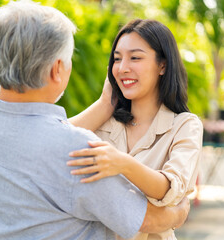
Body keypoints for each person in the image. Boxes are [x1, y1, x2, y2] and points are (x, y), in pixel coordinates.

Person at [0, 1, 190, 240]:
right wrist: (180, 211)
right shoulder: (78, 152)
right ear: (57, 69)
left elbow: (39, 142)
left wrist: (104, 105)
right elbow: (149, 220)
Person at [66, 19, 203, 240]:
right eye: (117, 59)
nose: (122, 68)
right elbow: (49, 145)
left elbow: (170, 188)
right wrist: (103, 105)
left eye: (135, 58)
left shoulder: (184, 126)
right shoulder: (104, 122)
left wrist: (122, 163)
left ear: (163, 65)